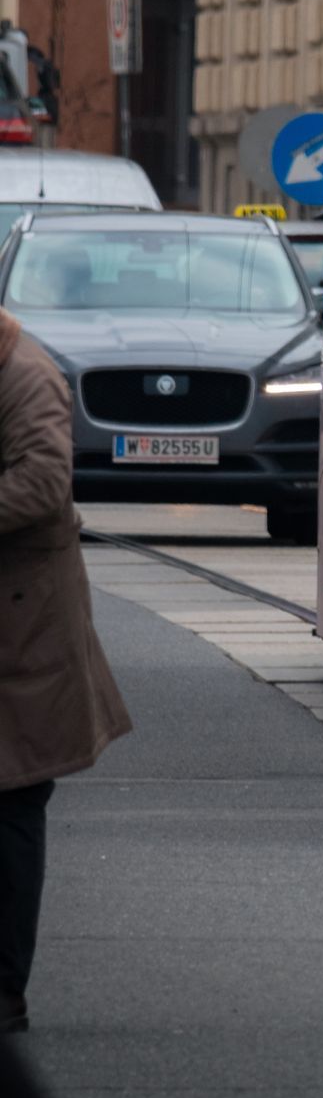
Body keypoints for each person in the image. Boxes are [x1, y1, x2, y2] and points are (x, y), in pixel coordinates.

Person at [0, 301, 130, 1034]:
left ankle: (5, 988)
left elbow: (43, 480)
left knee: (14, 797)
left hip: (26, 625)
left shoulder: (27, 375)